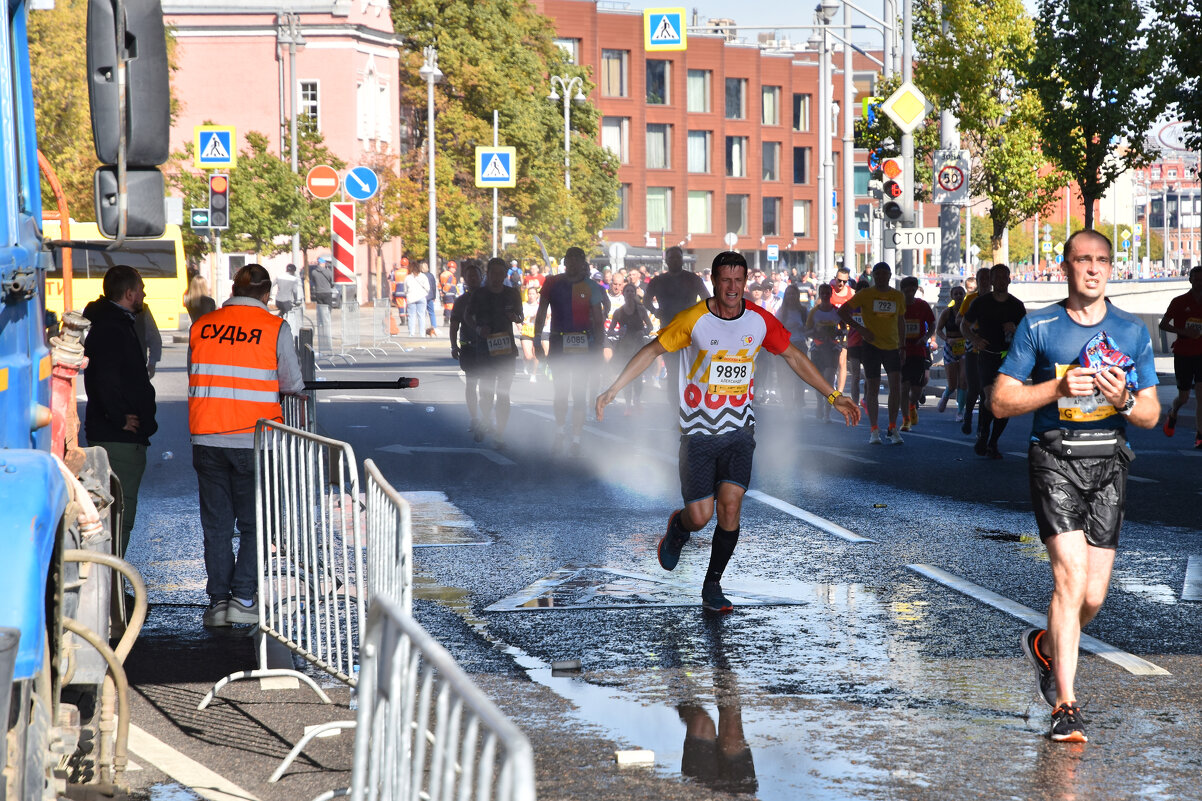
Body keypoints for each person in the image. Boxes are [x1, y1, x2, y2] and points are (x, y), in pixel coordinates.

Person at [596, 251, 860, 612]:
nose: (732, 288)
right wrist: (613, 389)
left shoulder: (758, 320)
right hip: (698, 432)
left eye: (739, 281)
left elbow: (794, 356)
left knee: (731, 506)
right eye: (725, 280)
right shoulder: (694, 320)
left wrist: (833, 395)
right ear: (715, 282)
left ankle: (712, 586)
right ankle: (680, 528)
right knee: (701, 517)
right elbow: (651, 350)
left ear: (745, 282)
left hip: (739, 429)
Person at [992, 230, 1159, 743]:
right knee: (1068, 580)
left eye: (1102, 261)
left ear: (1112, 267)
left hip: (1109, 462)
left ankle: (1047, 642)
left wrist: (1126, 399)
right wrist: (1057, 387)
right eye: (1082, 260)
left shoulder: (1131, 332)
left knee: (1092, 595)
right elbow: (1001, 401)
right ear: (1064, 266)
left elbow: (1151, 414)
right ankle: (1065, 705)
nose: (1093, 269)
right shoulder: (1039, 325)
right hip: (1055, 459)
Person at [188, 264, 304, 628]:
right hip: (256, 440)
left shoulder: (202, 326)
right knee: (257, 524)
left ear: (233, 288)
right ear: (266, 294)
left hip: (207, 437)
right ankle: (244, 596)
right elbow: (293, 384)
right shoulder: (274, 327)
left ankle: (218, 602)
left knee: (217, 526)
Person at [82, 265, 158, 557]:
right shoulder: (113, 327)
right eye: (140, 289)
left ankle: (111, 588)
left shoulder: (111, 321)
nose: (143, 294)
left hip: (114, 431)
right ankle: (111, 591)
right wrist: (119, 417)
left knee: (114, 511)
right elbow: (106, 377)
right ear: (129, 293)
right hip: (119, 436)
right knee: (119, 513)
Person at [534, 246, 607, 455]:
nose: (573, 263)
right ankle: (559, 432)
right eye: (570, 259)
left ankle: (575, 439)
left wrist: (600, 348)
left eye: (578, 259)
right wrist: (537, 339)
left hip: (584, 345)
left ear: (583, 263)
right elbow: (541, 312)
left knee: (579, 393)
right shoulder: (552, 283)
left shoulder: (591, 286)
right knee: (561, 391)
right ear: (565, 262)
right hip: (558, 342)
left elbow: (599, 321)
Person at [962, 264, 1027, 458]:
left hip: (1009, 358)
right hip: (987, 356)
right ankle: (983, 433)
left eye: (1003, 277)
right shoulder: (981, 303)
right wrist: (974, 339)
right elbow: (964, 325)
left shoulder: (1016, 305)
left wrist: (1015, 329)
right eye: (996, 277)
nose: (1000, 281)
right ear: (990, 281)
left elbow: (1027, 333)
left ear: (1009, 279)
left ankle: (992, 441)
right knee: (990, 400)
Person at [838, 262, 906, 444]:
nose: (882, 277)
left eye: (885, 274)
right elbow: (843, 311)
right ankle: (874, 430)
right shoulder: (865, 295)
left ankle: (893, 427)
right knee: (873, 388)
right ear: (873, 276)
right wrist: (860, 329)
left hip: (892, 346)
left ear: (890, 276)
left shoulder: (897, 296)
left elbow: (901, 321)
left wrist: (903, 346)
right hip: (871, 346)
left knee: (895, 386)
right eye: (878, 274)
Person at [468, 258, 523, 446]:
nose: (497, 278)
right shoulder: (479, 294)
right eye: (493, 273)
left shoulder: (512, 293)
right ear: (488, 274)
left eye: (501, 274)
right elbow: (468, 316)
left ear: (505, 275)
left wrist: (514, 317)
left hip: (506, 349)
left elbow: (520, 316)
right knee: (486, 391)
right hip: (485, 348)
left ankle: (500, 433)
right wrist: (477, 329)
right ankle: (485, 419)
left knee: (503, 393)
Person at [644, 246, 709, 401]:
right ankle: (675, 408)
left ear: (682, 260)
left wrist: (699, 315)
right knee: (673, 372)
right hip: (668, 329)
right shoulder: (658, 280)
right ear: (666, 261)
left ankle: (693, 404)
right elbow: (646, 300)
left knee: (692, 370)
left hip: (690, 330)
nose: (674, 260)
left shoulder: (692, 279)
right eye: (671, 258)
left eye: (677, 257)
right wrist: (654, 311)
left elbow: (707, 299)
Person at [1157, 264, 1202, 447]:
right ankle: (1173, 412)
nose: (1200, 283)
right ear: (1190, 280)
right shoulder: (1179, 301)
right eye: (1197, 279)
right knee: (1183, 397)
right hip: (1183, 353)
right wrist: (1182, 331)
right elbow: (1163, 325)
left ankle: (1200, 435)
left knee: (1201, 394)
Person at [449, 260, 485, 436]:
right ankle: (474, 418)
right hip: (469, 347)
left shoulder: (489, 298)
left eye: (475, 275)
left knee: (488, 383)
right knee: (471, 383)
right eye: (469, 276)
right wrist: (453, 345)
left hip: (486, 347)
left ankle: (486, 417)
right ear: (465, 279)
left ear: (481, 277)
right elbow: (454, 325)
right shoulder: (461, 301)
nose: (472, 279)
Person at [957, 266, 993, 436]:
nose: (985, 282)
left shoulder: (998, 300)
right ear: (977, 282)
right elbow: (959, 320)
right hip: (973, 346)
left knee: (987, 391)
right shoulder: (970, 299)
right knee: (974, 387)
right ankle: (968, 414)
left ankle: (982, 428)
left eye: (987, 278)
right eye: (981, 279)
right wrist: (973, 327)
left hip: (992, 348)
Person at [608, 283, 654, 412]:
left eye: (631, 291)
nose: (629, 293)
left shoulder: (640, 310)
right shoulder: (618, 312)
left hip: (638, 345)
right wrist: (618, 332)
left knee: (638, 375)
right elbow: (610, 331)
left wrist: (644, 331)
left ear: (634, 294)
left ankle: (637, 400)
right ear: (623, 294)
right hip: (624, 348)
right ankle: (628, 405)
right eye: (627, 291)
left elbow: (650, 327)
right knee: (627, 375)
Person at [899, 276, 935, 432]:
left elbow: (933, 323)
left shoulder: (922, 305)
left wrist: (926, 337)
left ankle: (912, 405)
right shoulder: (898, 306)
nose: (910, 293)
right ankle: (906, 420)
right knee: (904, 386)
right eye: (907, 290)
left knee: (917, 388)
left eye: (912, 290)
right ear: (902, 290)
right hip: (902, 350)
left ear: (915, 290)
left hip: (919, 350)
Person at [805, 283, 844, 422]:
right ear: (819, 294)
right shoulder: (814, 312)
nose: (826, 295)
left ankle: (827, 413)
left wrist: (837, 333)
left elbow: (844, 329)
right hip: (818, 348)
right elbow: (807, 331)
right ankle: (819, 403)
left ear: (831, 294)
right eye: (823, 293)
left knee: (828, 379)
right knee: (819, 380)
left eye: (828, 293)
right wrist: (817, 332)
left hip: (832, 348)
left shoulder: (836, 311)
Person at [935, 285, 967, 418]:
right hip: (950, 346)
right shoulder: (947, 313)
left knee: (963, 380)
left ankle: (960, 410)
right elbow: (938, 330)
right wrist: (947, 340)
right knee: (953, 383)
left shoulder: (968, 311)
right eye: (956, 294)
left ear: (964, 295)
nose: (959, 296)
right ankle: (946, 396)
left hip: (965, 346)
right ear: (952, 297)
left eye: (961, 294)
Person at [309, 256, 337, 354]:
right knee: (328, 309)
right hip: (327, 292)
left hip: (318, 292)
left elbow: (313, 281)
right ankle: (327, 324)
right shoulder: (327, 271)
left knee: (320, 308)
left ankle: (321, 323)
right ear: (323, 263)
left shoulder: (314, 272)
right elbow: (332, 280)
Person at [274, 263, 303, 338]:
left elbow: (271, 285)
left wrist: (270, 295)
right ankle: (284, 332)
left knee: (282, 313)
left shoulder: (279, 276)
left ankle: (276, 321)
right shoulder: (294, 279)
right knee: (289, 316)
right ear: (293, 271)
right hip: (286, 300)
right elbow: (295, 291)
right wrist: (296, 300)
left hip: (278, 300)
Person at [133, 305, 162, 379]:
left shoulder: (143, 310)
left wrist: (152, 363)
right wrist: (152, 364)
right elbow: (155, 338)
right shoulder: (142, 310)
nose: (143, 294)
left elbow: (155, 339)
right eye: (139, 292)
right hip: (136, 368)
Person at [404, 261, 430, 337]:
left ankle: (411, 333)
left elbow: (405, 290)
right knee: (421, 316)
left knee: (411, 316)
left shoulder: (408, 278)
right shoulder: (423, 277)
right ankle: (422, 334)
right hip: (421, 297)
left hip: (411, 298)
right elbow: (428, 288)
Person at [422, 260, 439, 336]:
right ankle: (434, 326)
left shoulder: (420, 276)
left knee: (423, 313)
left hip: (422, 296)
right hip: (430, 296)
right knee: (431, 312)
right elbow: (433, 286)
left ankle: (423, 327)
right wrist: (434, 296)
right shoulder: (431, 275)